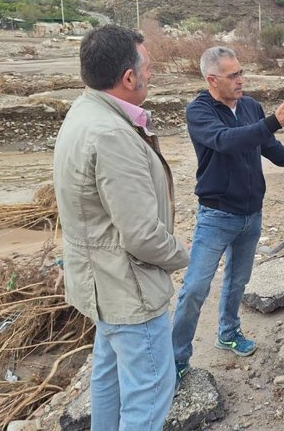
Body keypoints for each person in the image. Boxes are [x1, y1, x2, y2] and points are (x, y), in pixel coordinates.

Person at [53, 25, 189, 431]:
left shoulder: (84, 112)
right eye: (147, 66)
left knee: (108, 377)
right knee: (149, 393)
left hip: (100, 284)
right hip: (127, 288)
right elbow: (142, 235)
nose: (151, 73)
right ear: (128, 77)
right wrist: (181, 253)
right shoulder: (111, 133)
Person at [172, 47, 284, 381]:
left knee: (238, 279)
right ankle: (177, 358)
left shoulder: (250, 106)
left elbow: (266, 146)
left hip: (252, 213)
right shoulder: (200, 111)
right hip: (217, 215)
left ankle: (228, 332)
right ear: (211, 80)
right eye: (232, 75)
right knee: (195, 287)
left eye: (241, 72)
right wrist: (273, 122)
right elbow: (226, 141)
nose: (240, 80)